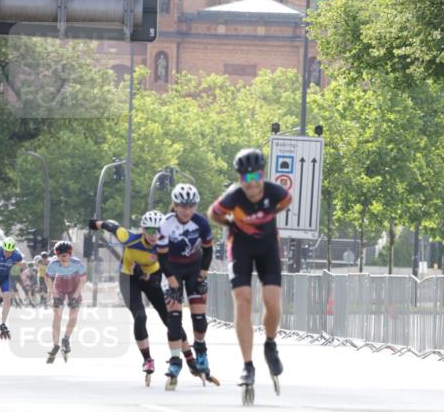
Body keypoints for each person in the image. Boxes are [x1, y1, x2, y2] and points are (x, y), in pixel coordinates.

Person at [208, 148, 292, 387]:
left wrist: (267, 217)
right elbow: (213, 213)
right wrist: (230, 223)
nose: (251, 185)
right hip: (241, 248)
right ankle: (247, 365)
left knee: (271, 300)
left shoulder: (276, 192)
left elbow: (287, 201)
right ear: (239, 179)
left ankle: (270, 343)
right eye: (246, 179)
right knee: (243, 300)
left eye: (255, 178)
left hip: (268, 249)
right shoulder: (233, 197)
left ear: (262, 175)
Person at [88, 210, 198, 381]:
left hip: (152, 278)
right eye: (151, 231)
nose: (155, 235)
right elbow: (112, 226)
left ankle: (190, 359)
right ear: (143, 229)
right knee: (140, 316)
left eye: (159, 231)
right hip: (128, 279)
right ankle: (147, 360)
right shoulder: (129, 238)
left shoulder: (165, 246)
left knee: (170, 319)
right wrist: (97, 224)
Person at [157, 183, 215, 386]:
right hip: (171, 269)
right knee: (174, 318)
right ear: (175, 205)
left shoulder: (201, 223)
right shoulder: (166, 224)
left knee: (199, 318)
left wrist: (202, 274)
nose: (187, 210)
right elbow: (161, 257)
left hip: (194, 269)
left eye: (191, 206)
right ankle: (175, 361)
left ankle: (200, 349)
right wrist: (171, 280)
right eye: (183, 206)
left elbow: (208, 251)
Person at [44, 241, 87, 362]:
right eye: (59, 255)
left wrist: (76, 295)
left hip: (74, 285)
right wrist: (54, 294)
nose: (63, 258)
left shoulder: (77, 263)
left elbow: (83, 280)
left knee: (73, 313)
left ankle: (66, 339)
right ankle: (56, 344)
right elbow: (47, 279)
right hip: (60, 285)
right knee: (57, 314)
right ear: (56, 255)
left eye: (65, 255)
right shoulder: (53, 264)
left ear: (70, 254)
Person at [0, 237, 23, 338]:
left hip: (6, 277)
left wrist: (15, 272)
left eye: (10, 252)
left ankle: (3, 323)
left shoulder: (17, 255)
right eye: (6, 251)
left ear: (13, 250)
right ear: (3, 248)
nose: (8, 254)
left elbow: (19, 263)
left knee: (7, 298)